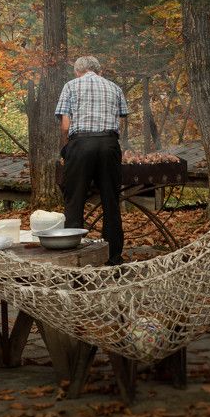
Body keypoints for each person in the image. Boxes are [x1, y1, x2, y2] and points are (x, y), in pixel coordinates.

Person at [55, 56, 129, 265]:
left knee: (75, 201)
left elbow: (65, 125)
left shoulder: (71, 86)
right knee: (111, 202)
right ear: (99, 71)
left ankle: (73, 259)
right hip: (109, 144)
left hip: (81, 144)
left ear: (78, 72)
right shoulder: (114, 87)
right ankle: (113, 258)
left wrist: (67, 147)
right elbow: (120, 121)